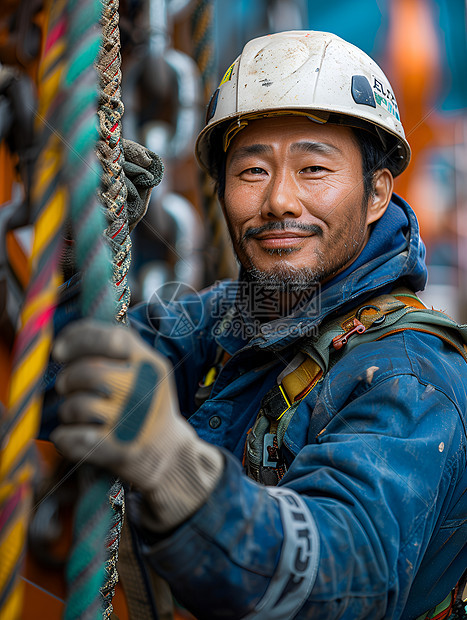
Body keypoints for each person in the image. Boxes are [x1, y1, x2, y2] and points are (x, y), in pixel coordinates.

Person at [50, 31, 467, 619]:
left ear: (377, 194)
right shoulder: (222, 325)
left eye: (314, 167)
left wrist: (172, 465)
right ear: (221, 190)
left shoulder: (411, 376)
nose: (279, 200)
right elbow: (49, 387)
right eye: (251, 171)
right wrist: (79, 254)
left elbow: (338, 580)